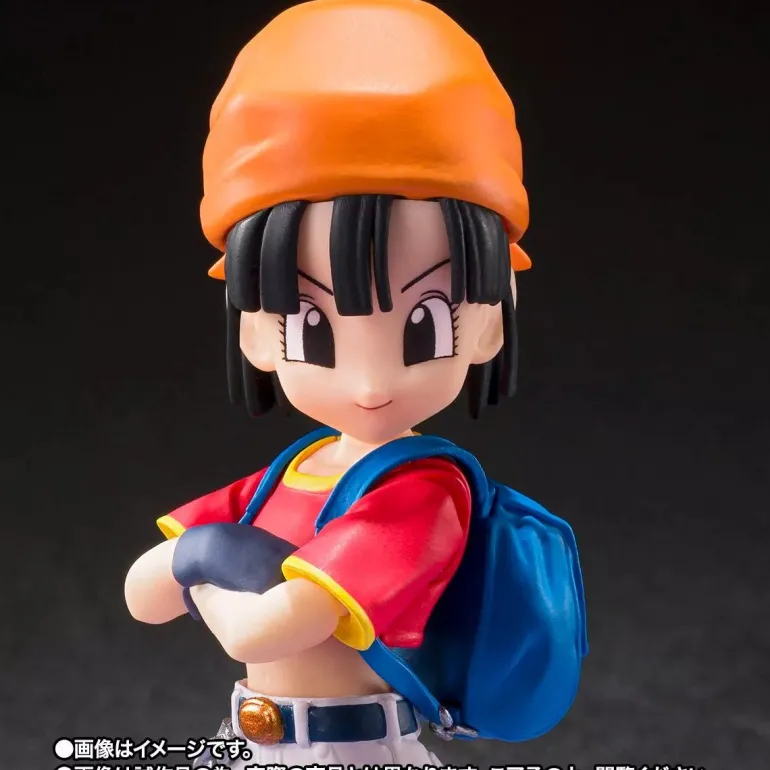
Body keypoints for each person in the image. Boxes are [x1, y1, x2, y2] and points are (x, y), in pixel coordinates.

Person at [124, 1, 545, 766]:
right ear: (257, 331)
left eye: (425, 328)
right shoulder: (294, 471)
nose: (371, 380)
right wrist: (211, 558)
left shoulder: (423, 493)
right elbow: (141, 595)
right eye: (312, 328)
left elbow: (264, 628)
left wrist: (205, 557)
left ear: (489, 322)